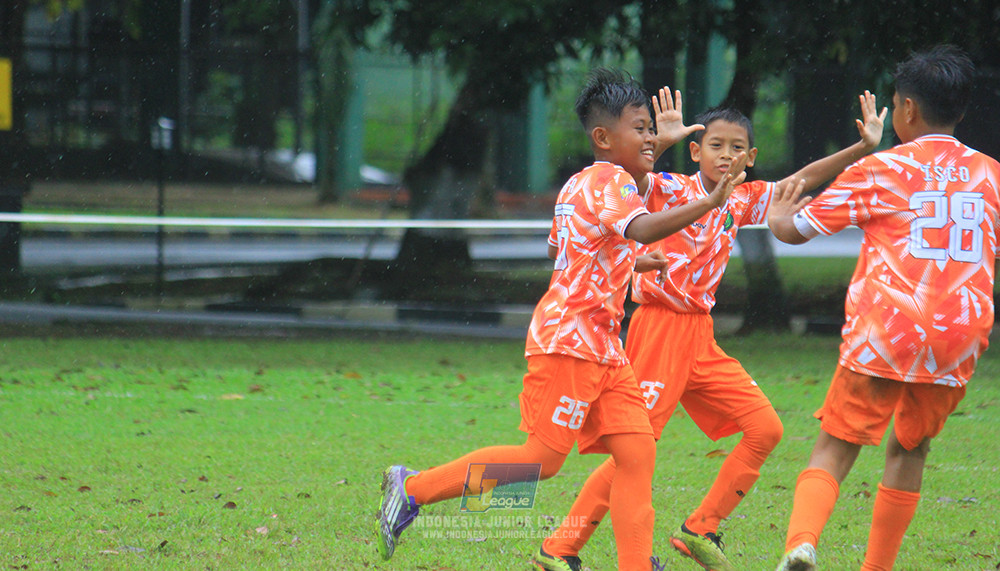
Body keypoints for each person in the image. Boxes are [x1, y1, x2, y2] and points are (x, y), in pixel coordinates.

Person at [375, 68, 748, 571]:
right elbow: (642, 226)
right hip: (570, 343)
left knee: (637, 454)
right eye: (640, 129)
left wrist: (626, 261)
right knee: (540, 462)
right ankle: (413, 489)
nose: (650, 137)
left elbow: (566, 248)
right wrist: (707, 203)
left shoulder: (584, 181)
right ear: (603, 137)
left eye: (648, 129)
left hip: (604, 349)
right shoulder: (607, 181)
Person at [533, 88, 886, 571]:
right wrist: (663, 141)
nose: (727, 155)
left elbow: (797, 182)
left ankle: (700, 529)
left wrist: (862, 148)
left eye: (737, 147)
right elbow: (631, 180)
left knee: (766, 428)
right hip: (658, 330)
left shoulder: (739, 200)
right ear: (696, 152)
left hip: (701, 336)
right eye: (715, 145)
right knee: (633, 451)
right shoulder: (666, 188)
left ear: (751, 156)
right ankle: (560, 546)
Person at [767, 45, 1000, 571]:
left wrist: (781, 214)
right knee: (910, 449)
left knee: (836, 446)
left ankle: (801, 544)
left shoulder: (883, 168)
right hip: (957, 334)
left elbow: (797, 229)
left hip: (887, 330)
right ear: (959, 111)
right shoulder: (991, 174)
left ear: (908, 110)